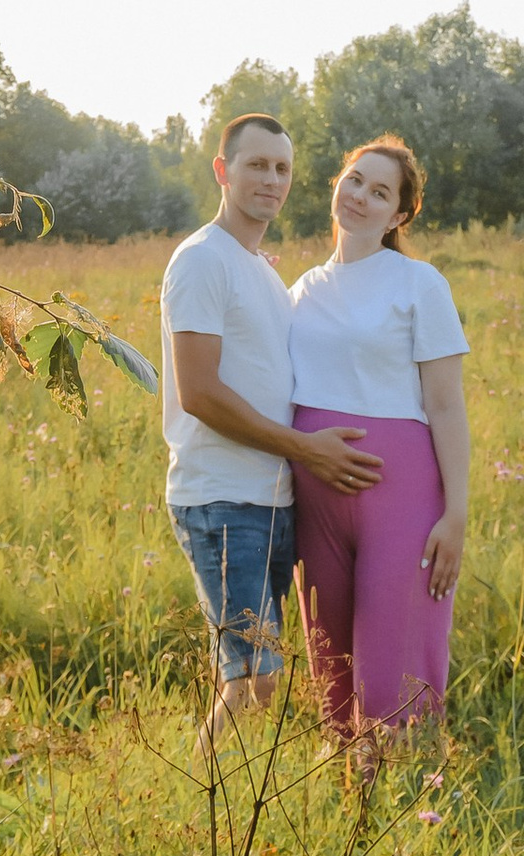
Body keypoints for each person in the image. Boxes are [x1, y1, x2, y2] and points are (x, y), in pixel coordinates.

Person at [160, 112, 384, 745]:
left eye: (282, 168)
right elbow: (200, 392)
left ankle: (223, 805)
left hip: (273, 497)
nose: (272, 179)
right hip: (223, 498)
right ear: (223, 172)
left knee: (258, 673)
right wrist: (304, 450)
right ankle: (197, 800)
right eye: (257, 165)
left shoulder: (256, 266)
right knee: (252, 677)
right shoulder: (202, 260)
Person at [287, 135, 470, 756]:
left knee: (393, 662)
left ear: (399, 215)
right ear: (337, 183)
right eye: (354, 179)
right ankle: (344, 791)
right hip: (315, 497)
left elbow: (445, 403)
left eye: (379, 190)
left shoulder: (419, 284)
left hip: (402, 494)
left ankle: (408, 795)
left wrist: (457, 511)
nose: (360, 195)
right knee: (328, 655)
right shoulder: (301, 289)